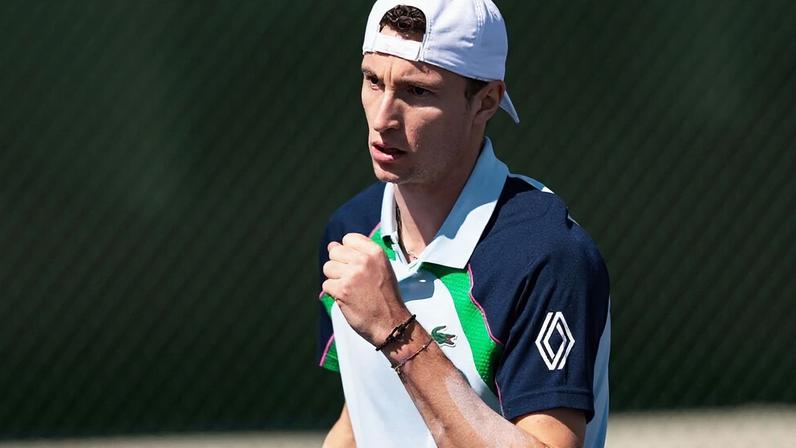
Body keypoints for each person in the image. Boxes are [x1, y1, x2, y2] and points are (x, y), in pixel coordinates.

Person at [316, 1, 610, 447]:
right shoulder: (352, 230)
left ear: (486, 101)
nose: (382, 119)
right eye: (373, 81)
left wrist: (398, 331)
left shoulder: (547, 256)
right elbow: (362, 417)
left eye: (417, 91)